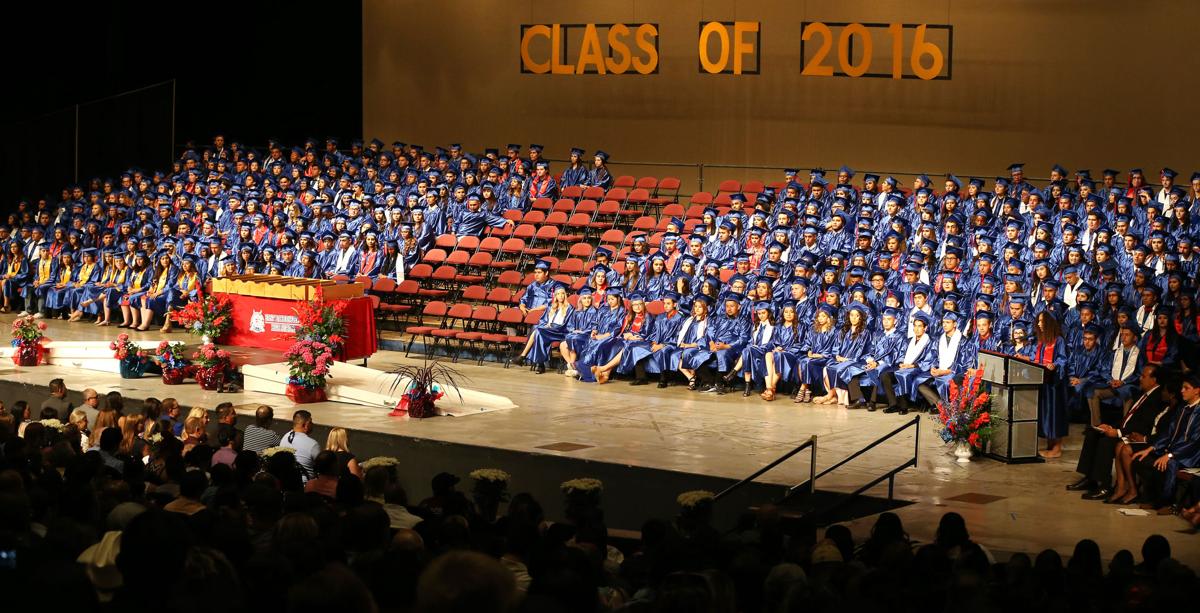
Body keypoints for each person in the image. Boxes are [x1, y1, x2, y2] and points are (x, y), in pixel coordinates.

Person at [1070, 364, 1164, 502]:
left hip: (1136, 436)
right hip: (1126, 429)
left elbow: (1143, 425)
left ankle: (1104, 485)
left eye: (1144, 376)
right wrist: (1110, 426)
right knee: (1093, 433)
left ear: (1154, 380)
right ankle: (1090, 478)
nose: (1140, 379)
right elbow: (1128, 418)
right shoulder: (1142, 393)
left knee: (1106, 442)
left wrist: (1118, 432)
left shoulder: (1156, 398)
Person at [1131, 373, 1200, 513]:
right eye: (1182, 387)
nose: (1182, 391)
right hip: (1172, 451)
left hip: (1190, 455)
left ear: (1197, 390)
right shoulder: (1183, 408)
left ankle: (1168, 503)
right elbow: (1168, 433)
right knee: (1141, 458)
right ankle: (1153, 499)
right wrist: (1150, 448)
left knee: (1168, 463)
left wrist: (1170, 455)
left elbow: (1195, 442)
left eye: (1186, 388)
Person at [1031, 312, 1070, 458]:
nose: (1039, 324)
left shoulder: (1058, 340)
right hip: (1045, 383)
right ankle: (1050, 445)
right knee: (1047, 415)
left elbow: (1063, 359)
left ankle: (1057, 448)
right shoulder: (1041, 341)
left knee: (1055, 415)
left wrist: (1055, 365)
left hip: (1055, 386)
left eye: (1042, 321)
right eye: (1039, 321)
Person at [882, 312, 934, 414]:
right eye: (915, 326)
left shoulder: (930, 342)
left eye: (920, 326)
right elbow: (901, 353)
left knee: (903, 374)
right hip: (905, 366)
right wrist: (901, 363)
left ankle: (904, 406)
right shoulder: (909, 340)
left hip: (919, 369)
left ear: (925, 328)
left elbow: (929, 359)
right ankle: (893, 404)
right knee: (885, 375)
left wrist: (912, 365)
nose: (917, 329)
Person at [279, 409, 321, 478]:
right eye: (311, 422)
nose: (313, 424)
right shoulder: (313, 445)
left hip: (284, 481)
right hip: (305, 485)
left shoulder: (285, 437)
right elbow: (322, 467)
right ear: (305, 425)